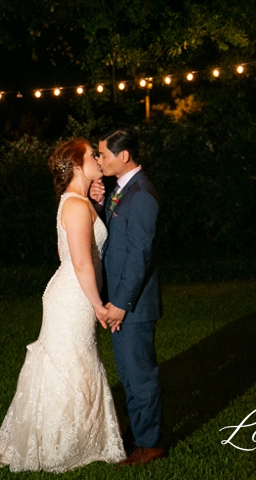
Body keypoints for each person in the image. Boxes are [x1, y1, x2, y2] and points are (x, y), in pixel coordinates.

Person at [0, 138, 126, 473]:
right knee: (69, 362)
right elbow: (79, 262)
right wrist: (98, 304)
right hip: (73, 296)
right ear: (77, 164)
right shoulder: (75, 205)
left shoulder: (78, 201)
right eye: (92, 155)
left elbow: (65, 252)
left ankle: (79, 437)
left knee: (77, 359)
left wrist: (98, 203)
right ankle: (58, 443)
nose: (98, 159)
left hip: (75, 292)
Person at [90, 127, 165, 466]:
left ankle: (151, 445)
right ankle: (137, 432)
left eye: (103, 154)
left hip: (133, 304)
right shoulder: (123, 189)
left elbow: (139, 255)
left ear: (124, 156)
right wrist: (100, 203)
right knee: (130, 375)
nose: (99, 159)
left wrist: (120, 303)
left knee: (140, 376)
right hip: (122, 299)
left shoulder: (142, 195)